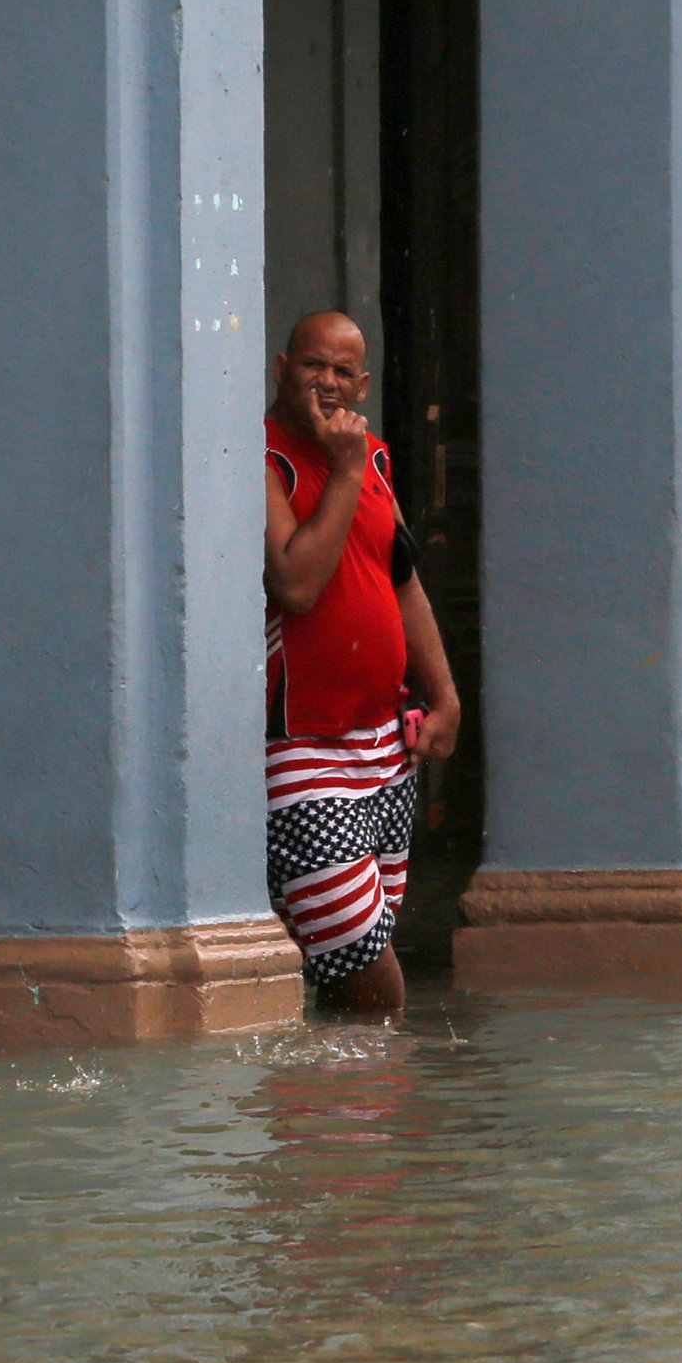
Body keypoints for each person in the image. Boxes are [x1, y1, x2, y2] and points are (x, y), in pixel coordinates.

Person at [265, 311, 461, 1013]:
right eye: (314, 365)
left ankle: (334, 1109)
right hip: (302, 747)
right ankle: (387, 1095)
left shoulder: (372, 455)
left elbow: (401, 575)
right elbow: (295, 582)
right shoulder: (261, 458)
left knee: (352, 952)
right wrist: (343, 470)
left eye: (343, 371)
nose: (327, 382)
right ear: (281, 368)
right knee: (363, 965)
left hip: (383, 742)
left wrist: (445, 695)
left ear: (363, 383)